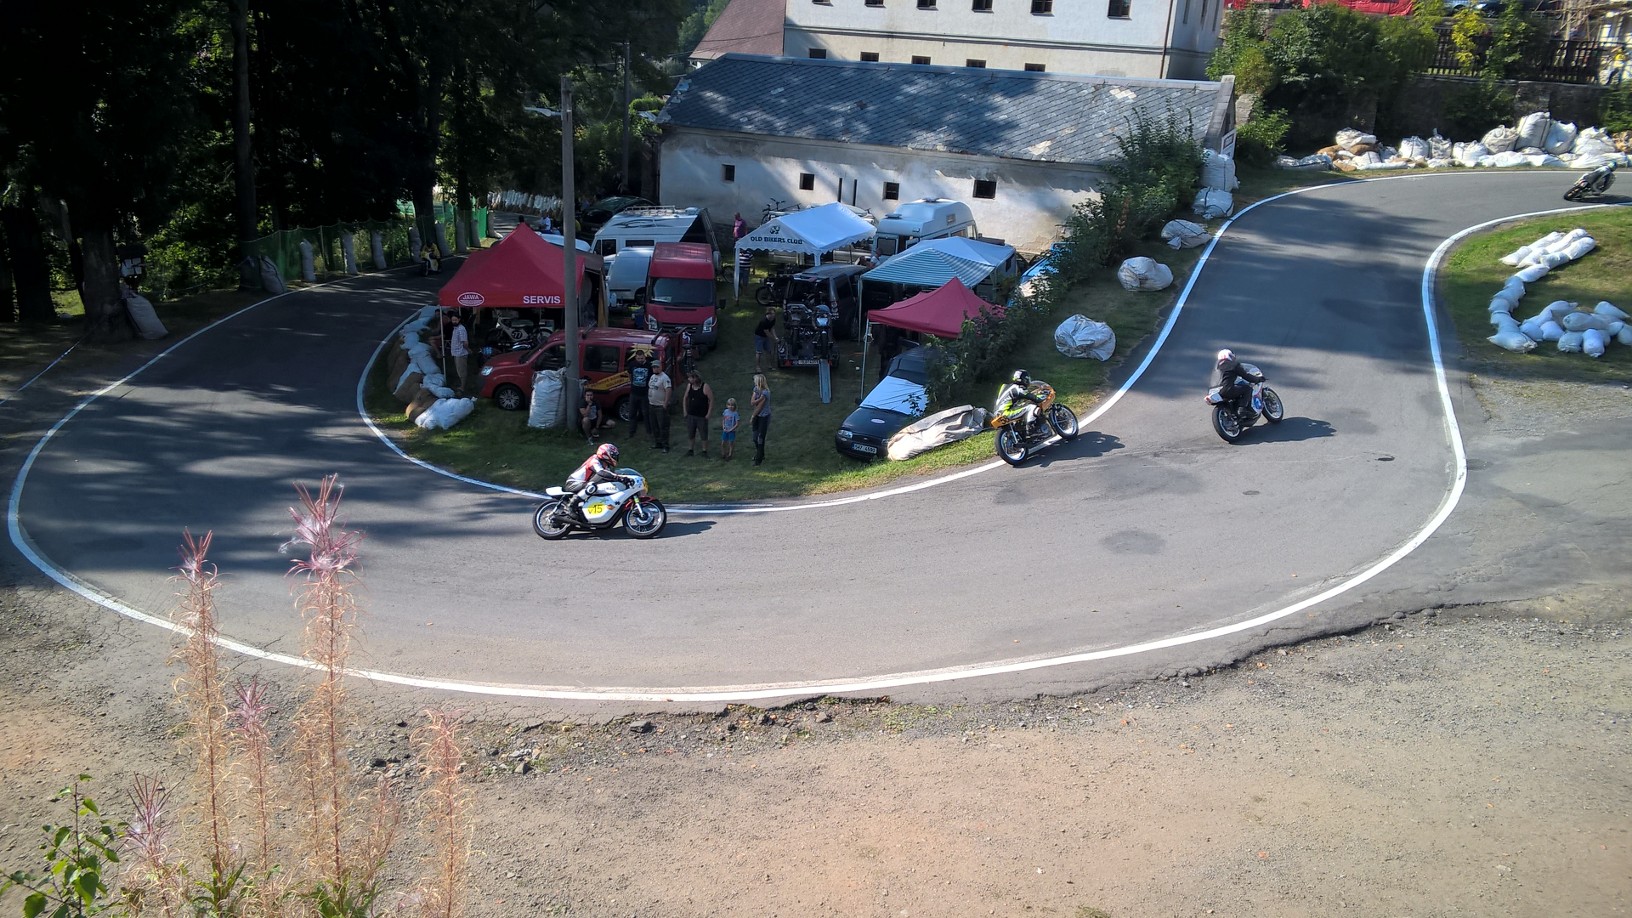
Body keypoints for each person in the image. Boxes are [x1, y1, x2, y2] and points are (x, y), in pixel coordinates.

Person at [560, 442, 623, 520]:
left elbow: (609, 477)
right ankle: (571, 506)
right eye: (614, 456)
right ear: (606, 454)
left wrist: (622, 479)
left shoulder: (606, 466)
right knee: (592, 487)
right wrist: (618, 478)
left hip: (583, 483)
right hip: (573, 483)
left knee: (599, 487)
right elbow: (601, 472)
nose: (615, 458)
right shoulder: (595, 460)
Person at [1213, 348, 1264, 418]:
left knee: (1235, 390)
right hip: (1227, 389)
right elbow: (1246, 376)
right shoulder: (1233, 365)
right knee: (1247, 389)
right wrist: (1258, 379)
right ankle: (1242, 409)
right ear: (1230, 356)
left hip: (1216, 391)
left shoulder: (1217, 368)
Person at [994, 369, 1043, 435]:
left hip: (997, 413)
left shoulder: (1005, 386)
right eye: (1027, 379)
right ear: (1024, 379)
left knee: (1023, 406)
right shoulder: (1017, 388)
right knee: (1032, 407)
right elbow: (1031, 396)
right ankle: (1030, 428)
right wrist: (1039, 398)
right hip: (1005, 413)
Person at [682, 370, 714, 457]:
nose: (688, 379)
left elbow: (711, 400)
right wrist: (685, 410)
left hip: (702, 415)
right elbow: (685, 398)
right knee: (691, 433)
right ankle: (690, 450)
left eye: (690, 377)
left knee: (703, 433)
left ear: (695, 378)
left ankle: (704, 451)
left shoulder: (705, 387)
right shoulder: (689, 386)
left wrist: (709, 413)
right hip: (691, 414)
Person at [648, 360, 673, 452]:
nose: (655, 369)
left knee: (663, 426)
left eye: (656, 367)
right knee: (654, 426)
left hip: (660, 406)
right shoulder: (652, 377)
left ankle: (665, 445)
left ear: (660, 367)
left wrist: (665, 403)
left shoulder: (665, 378)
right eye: (653, 367)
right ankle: (657, 442)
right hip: (652, 405)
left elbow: (668, 390)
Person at [626, 348, 652, 437]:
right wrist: (633, 383)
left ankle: (649, 432)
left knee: (646, 413)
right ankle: (631, 432)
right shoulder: (632, 364)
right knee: (632, 413)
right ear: (636, 358)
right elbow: (629, 374)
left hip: (645, 394)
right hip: (634, 393)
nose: (640, 360)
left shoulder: (649, 365)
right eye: (638, 358)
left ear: (644, 357)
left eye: (642, 358)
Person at [750, 373, 772, 467]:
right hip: (757, 416)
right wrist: (756, 400)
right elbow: (752, 402)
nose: (754, 382)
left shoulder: (766, 393)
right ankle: (761, 453)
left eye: (755, 381)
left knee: (760, 438)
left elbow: (759, 407)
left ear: (759, 382)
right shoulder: (755, 389)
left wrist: (752, 416)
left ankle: (758, 460)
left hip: (764, 417)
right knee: (755, 437)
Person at [448, 312, 470, 393]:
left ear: (459, 319)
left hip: (461, 353)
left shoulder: (461, 329)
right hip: (456, 353)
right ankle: (461, 384)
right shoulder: (455, 328)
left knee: (462, 371)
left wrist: (468, 350)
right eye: (453, 320)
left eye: (455, 320)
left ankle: (463, 387)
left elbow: (465, 342)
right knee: (459, 370)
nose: (454, 321)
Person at [753, 307, 779, 373]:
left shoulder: (773, 319)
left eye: (774, 313)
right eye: (772, 314)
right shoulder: (764, 321)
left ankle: (769, 365)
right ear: (768, 314)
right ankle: (757, 367)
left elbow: (772, 328)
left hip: (766, 337)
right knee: (759, 352)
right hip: (759, 336)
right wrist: (774, 339)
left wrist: (776, 337)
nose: (773, 315)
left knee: (769, 351)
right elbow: (767, 332)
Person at [720, 397, 739, 461]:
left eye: (732, 405)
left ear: (734, 406)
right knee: (723, 442)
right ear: (727, 405)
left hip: (732, 430)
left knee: (731, 443)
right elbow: (723, 419)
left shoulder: (735, 413)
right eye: (729, 405)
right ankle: (723, 453)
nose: (730, 406)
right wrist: (723, 426)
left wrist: (731, 429)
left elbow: (737, 424)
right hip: (725, 430)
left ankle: (730, 454)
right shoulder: (725, 411)